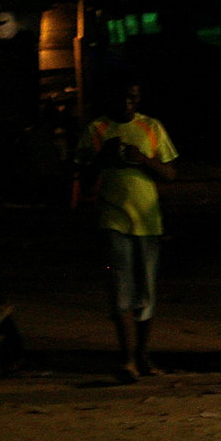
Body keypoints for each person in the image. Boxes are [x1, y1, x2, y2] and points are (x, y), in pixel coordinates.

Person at [76, 80, 178, 381]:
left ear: (138, 99)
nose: (127, 104)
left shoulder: (151, 127)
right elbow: (82, 178)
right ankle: (127, 358)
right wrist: (101, 158)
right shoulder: (96, 130)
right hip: (113, 219)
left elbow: (171, 173)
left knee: (146, 291)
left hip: (148, 222)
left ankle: (142, 355)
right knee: (121, 289)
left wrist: (144, 160)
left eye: (132, 98)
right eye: (121, 97)